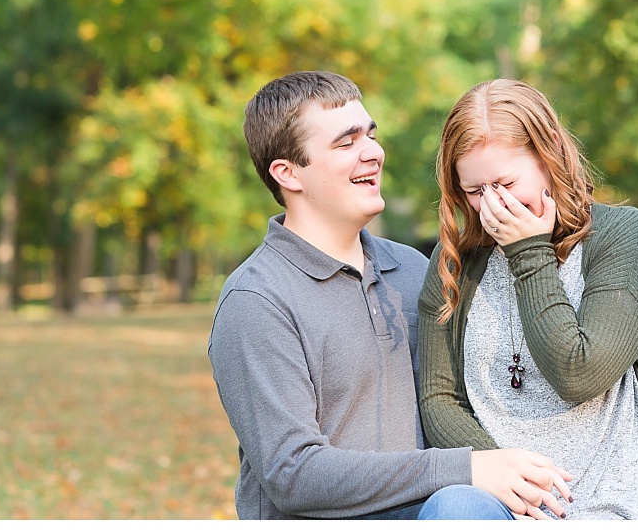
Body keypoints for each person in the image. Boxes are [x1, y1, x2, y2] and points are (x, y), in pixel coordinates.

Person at [207, 70, 580, 520]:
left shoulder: (413, 270)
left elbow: (481, 391)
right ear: (288, 174)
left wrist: (621, 402)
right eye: (346, 142)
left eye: (370, 134)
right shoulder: (257, 300)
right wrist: (461, 469)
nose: (373, 153)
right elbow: (292, 473)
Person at [417, 79, 638, 519]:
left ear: (549, 160)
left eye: (506, 182)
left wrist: (529, 253)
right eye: (474, 191)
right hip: (500, 500)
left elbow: (578, 374)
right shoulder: (453, 263)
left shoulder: (629, 238)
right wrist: (501, 473)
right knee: (451, 507)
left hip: (615, 496)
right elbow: (438, 396)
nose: (493, 206)